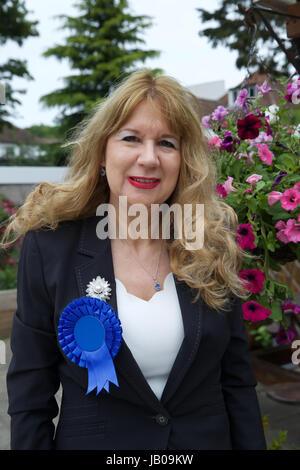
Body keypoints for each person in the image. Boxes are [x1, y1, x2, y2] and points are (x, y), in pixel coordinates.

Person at [2, 68, 267, 450]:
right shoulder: (50, 247)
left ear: (183, 161)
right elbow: (29, 394)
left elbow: (237, 383)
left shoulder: (211, 245)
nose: (149, 158)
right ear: (102, 153)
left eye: (167, 143)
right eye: (131, 138)